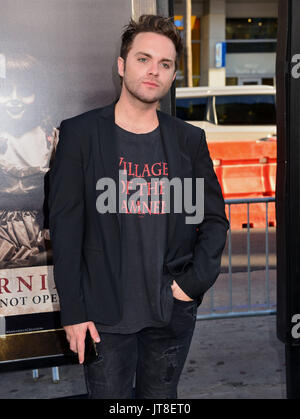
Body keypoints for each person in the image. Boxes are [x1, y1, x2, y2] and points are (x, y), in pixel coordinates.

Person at [48, 15, 229, 399]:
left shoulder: (188, 140)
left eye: (165, 64)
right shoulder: (80, 135)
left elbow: (213, 219)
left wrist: (191, 284)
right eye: (143, 59)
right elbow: (65, 231)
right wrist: (74, 312)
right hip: (103, 317)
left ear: (173, 75)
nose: (153, 71)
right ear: (121, 65)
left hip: (170, 313)